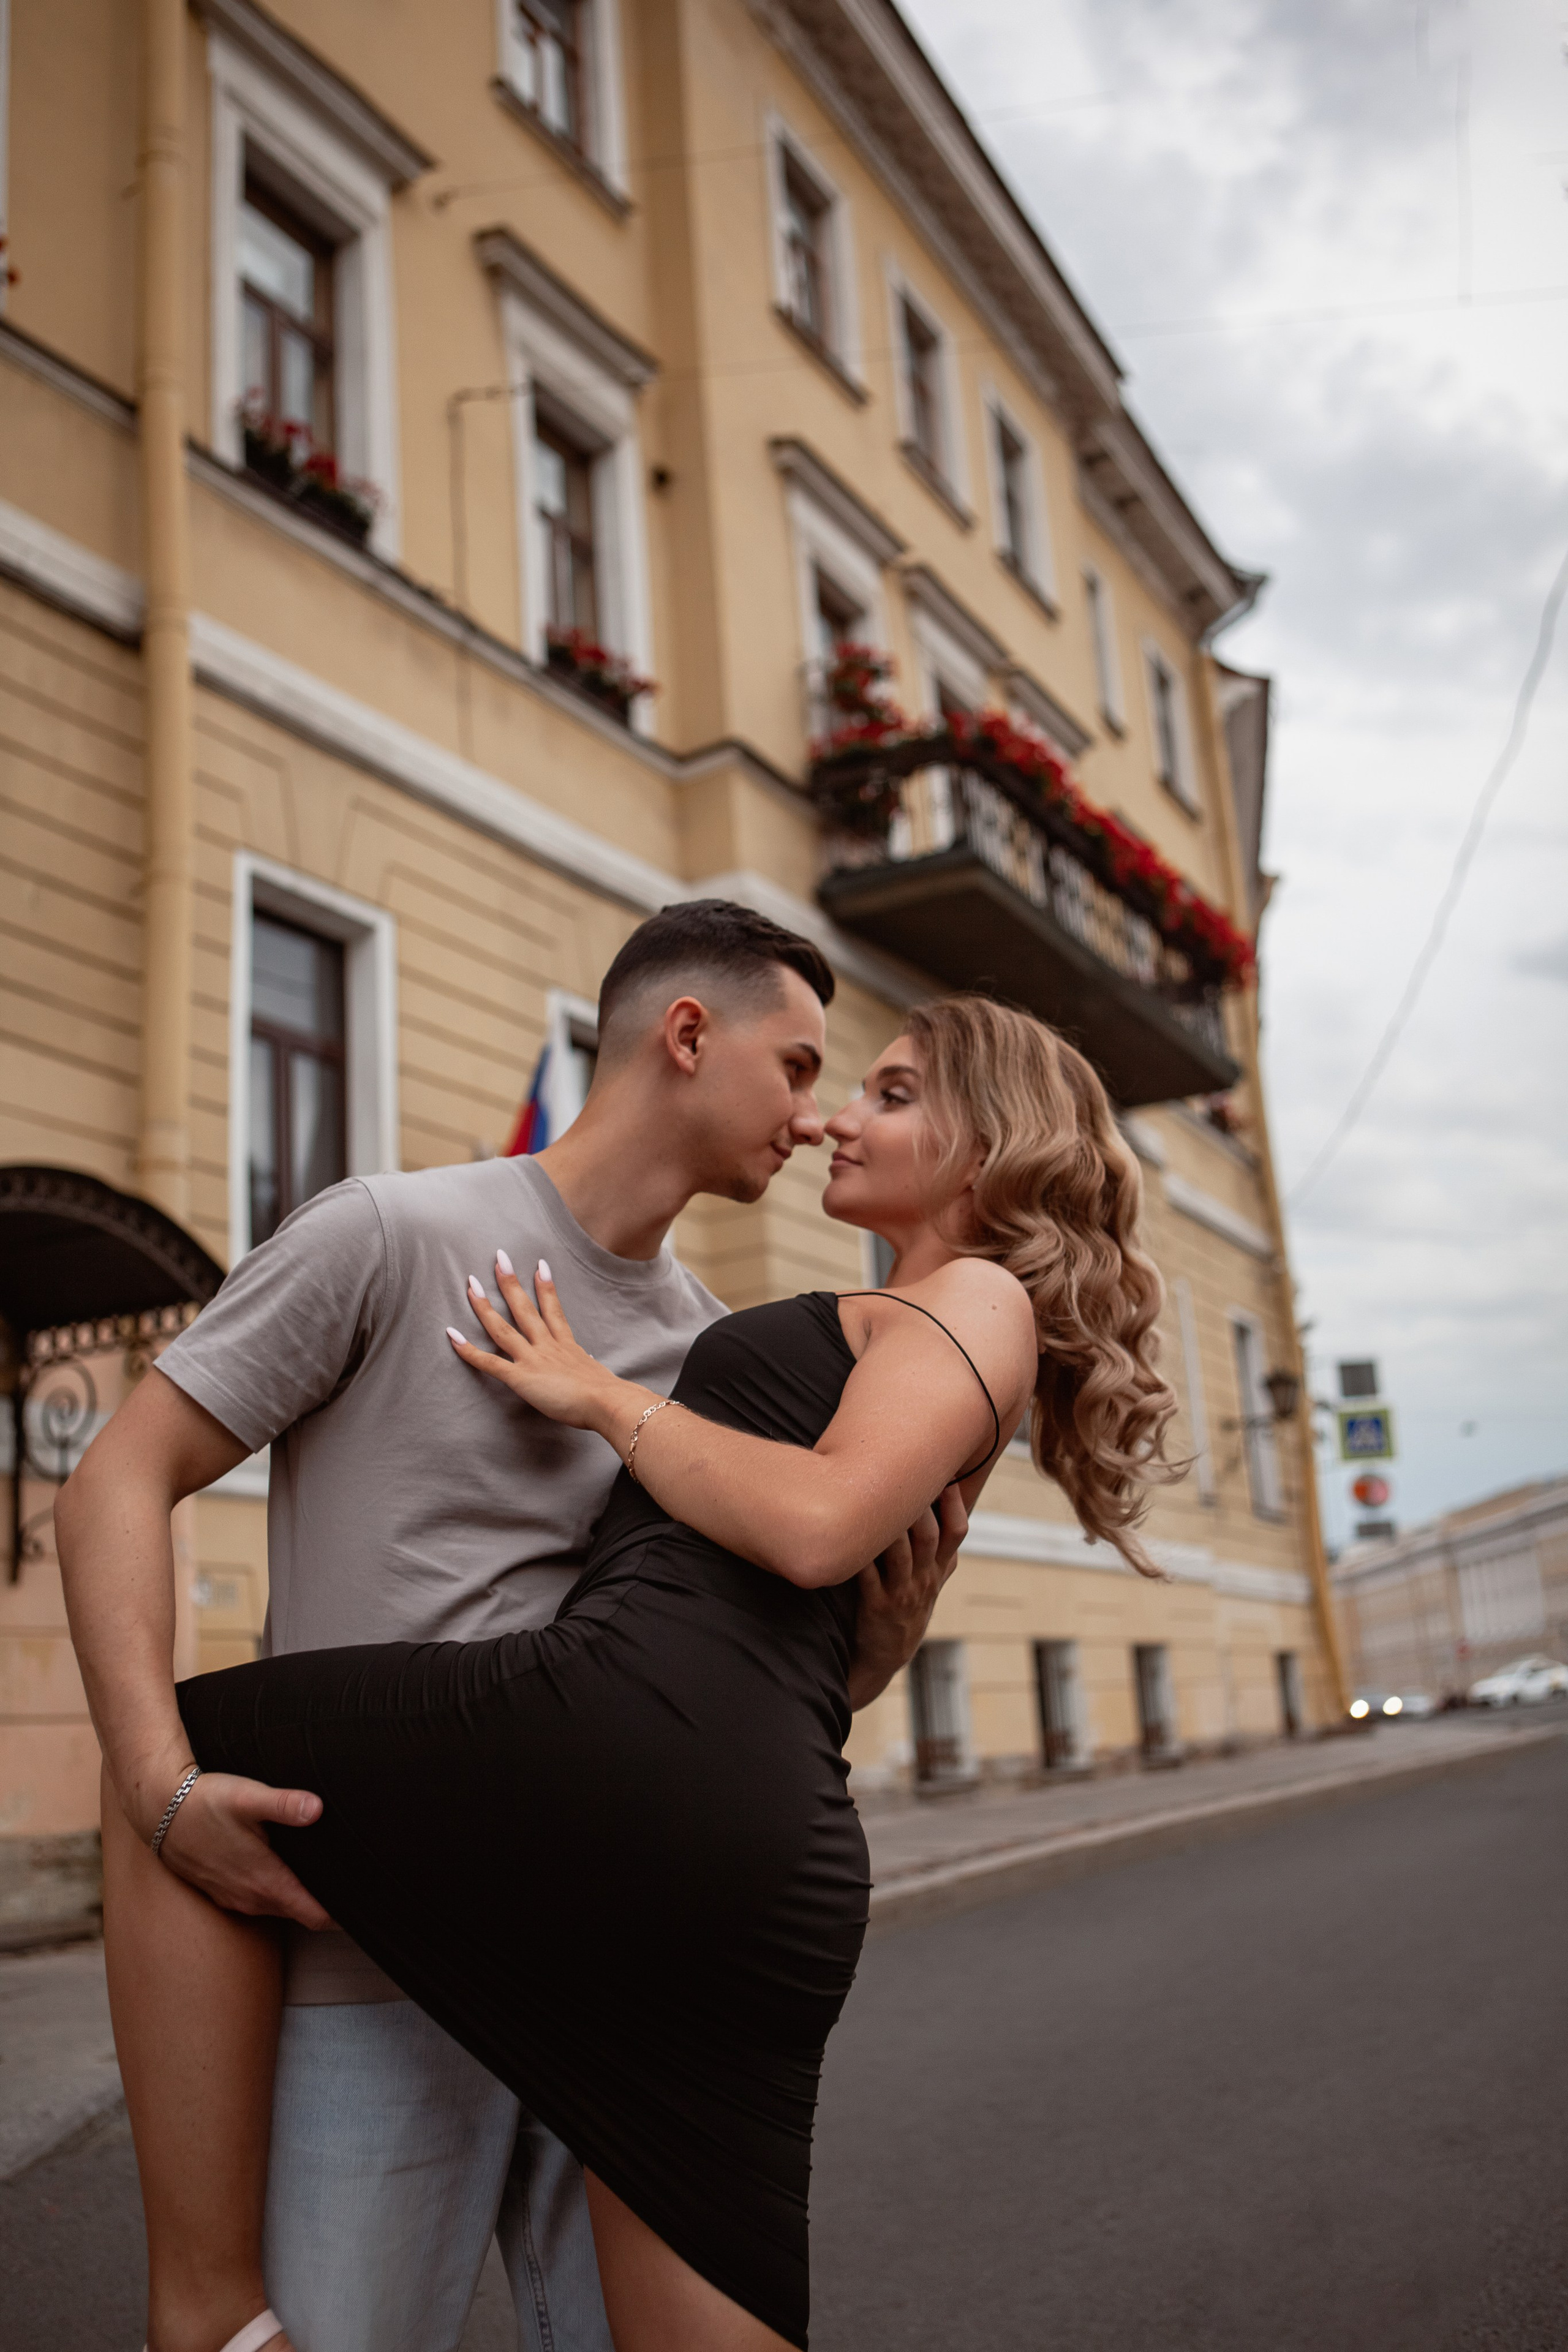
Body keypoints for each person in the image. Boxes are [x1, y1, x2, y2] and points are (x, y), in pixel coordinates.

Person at [74, 990, 1178, 2352]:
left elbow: (819, 1521)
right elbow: (782, 1600)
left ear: (989, 1142)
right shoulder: (892, 1315)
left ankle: (198, 2308)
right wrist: (870, 1645)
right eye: (829, 1077)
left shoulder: (979, 1296)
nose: (832, 1112)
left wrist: (599, 1394)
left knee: (173, 1761)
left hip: (620, 1749)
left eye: (887, 1094)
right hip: (725, 1835)